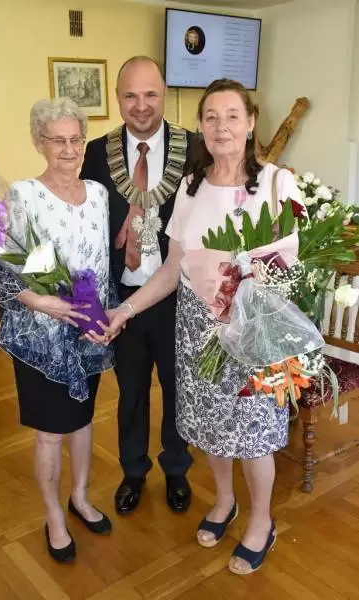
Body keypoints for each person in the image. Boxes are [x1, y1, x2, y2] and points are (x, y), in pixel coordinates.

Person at [103, 79, 304, 575]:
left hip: (254, 328)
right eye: (211, 117)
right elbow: (172, 269)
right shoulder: (191, 187)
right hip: (198, 328)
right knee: (211, 426)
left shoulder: (279, 183)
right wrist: (126, 310)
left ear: (251, 122)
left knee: (254, 433)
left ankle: (261, 521)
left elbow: (293, 267)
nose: (221, 126)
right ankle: (224, 502)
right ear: (200, 126)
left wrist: (245, 289)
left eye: (233, 115)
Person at [0, 98, 115, 563]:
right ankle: (54, 516)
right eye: (57, 140)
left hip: (87, 330)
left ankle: (79, 497)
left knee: (83, 420)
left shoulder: (98, 194)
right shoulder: (23, 195)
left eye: (76, 139)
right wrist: (42, 302)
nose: (69, 149)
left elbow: (101, 263)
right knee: (49, 434)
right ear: (38, 142)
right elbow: (0, 262)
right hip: (42, 337)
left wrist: (104, 318)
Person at [80, 56, 194, 515]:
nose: (141, 105)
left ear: (164, 94)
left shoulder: (194, 147)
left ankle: (177, 469)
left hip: (177, 295)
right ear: (117, 98)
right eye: (130, 95)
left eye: (150, 94)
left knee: (178, 388)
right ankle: (133, 470)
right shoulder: (95, 152)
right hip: (121, 297)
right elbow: (85, 224)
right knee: (130, 392)